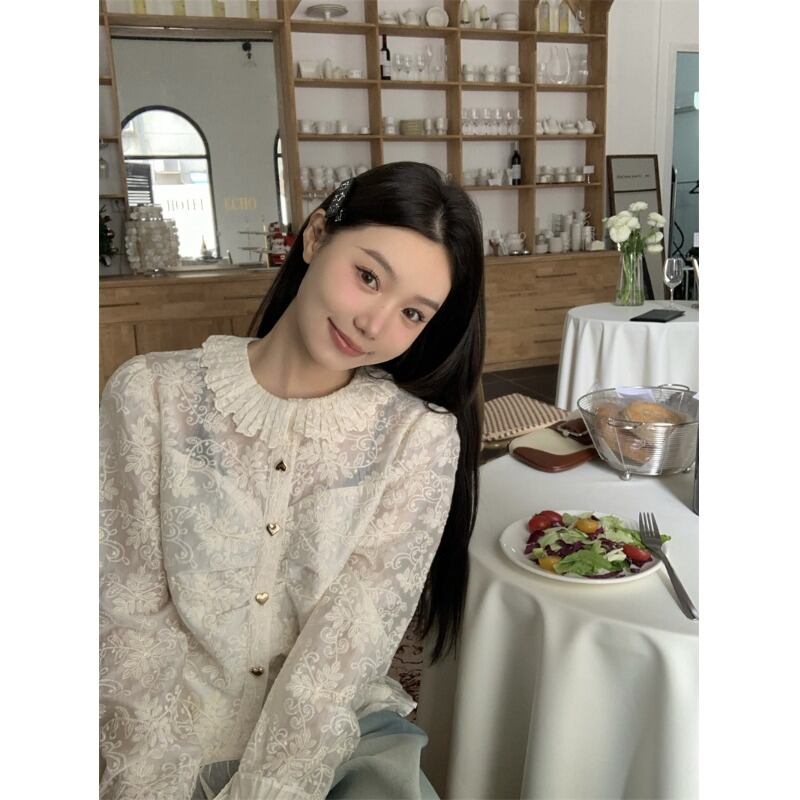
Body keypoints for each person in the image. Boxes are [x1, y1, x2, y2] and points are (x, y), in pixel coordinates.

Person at [99, 161, 485, 799]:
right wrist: (147, 782)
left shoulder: (418, 438)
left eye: (413, 313)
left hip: (330, 739)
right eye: (368, 277)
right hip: (160, 736)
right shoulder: (151, 395)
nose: (374, 325)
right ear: (316, 236)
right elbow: (125, 616)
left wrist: (271, 788)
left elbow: (350, 642)